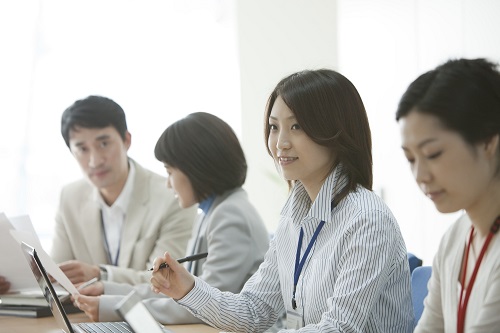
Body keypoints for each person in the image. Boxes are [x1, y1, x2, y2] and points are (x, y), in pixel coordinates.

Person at [150, 69, 414, 332]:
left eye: (296, 126)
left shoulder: (366, 219)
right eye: (275, 127)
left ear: (336, 132)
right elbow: (255, 310)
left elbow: (338, 329)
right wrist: (188, 289)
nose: (280, 143)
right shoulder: (293, 216)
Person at [74, 112, 270, 325]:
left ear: (196, 169)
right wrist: (108, 290)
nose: (168, 184)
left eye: (169, 172)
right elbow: (179, 293)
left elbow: (204, 306)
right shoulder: (213, 212)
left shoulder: (230, 216)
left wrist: (113, 308)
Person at [396, 58, 500, 332]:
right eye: (410, 159)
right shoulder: (457, 236)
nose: (420, 175)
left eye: (433, 154)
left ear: (488, 141)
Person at [51, 95, 196, 285]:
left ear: (126, 140)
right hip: (84, 314)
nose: (95, 161)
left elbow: (166, 280)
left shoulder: (173, 197)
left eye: (104, 144)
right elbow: (56, 275)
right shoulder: (70, 197)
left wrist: (100, 275)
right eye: (82, 149)